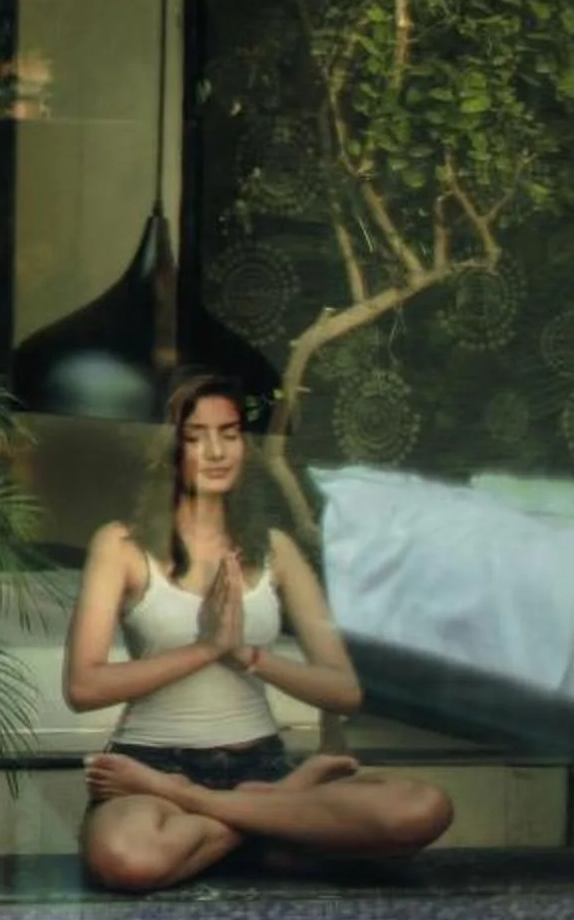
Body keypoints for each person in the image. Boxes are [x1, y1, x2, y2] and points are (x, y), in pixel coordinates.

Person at [64, 371, 453, 893]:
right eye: (197, 436)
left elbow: (344, 691)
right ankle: (269, 827)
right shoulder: (121, 546)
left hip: (261, 767)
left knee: (422, 809)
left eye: (229, 433)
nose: (217, 450)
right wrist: (206, 648)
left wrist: (245, 654)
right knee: (126, 858)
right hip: (150, 771)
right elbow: (84, 688)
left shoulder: (276, 549)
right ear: (168, 449)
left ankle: (220, 813)